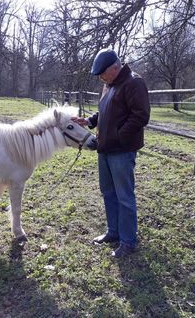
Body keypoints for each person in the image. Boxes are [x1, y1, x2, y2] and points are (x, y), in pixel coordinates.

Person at [73, 49, 150, 258]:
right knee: (108, 193)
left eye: (102, 73)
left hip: (122, 152)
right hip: (105, 150)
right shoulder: (109, 85)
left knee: (124, 196)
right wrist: (89, 121)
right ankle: (113, 232)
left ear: (115, 68)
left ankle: (128, 241)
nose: (100, 78)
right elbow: (105, 111)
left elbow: (140, 116)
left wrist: (118, 136)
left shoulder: (134, 83)